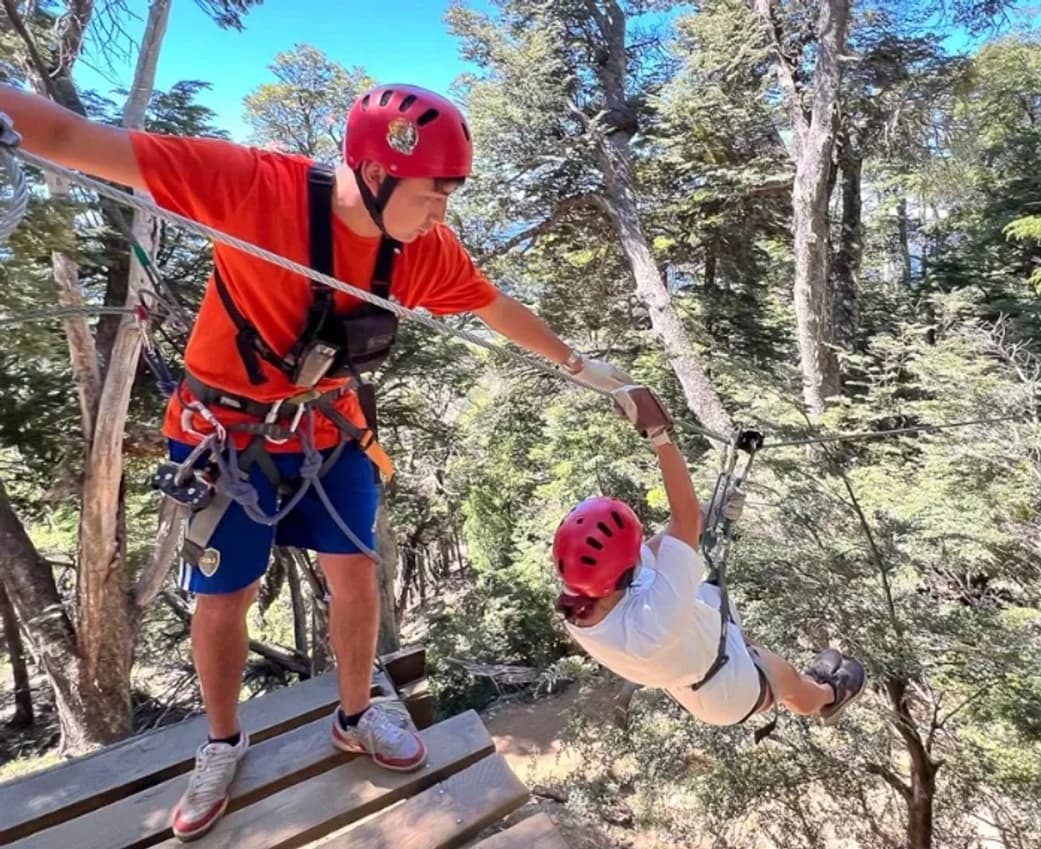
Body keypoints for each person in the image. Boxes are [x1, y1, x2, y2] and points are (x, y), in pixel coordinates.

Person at [0, 83, 632, 841]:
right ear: (374, 172)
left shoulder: (424, 251)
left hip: (329, 428)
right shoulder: (253, 187)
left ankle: (358, 713)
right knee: (226, 594)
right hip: (223, 434)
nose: (443, 212)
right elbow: (74, 140)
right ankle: (222, 742)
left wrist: (580, 365)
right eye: (435, 192)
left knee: (356, 571)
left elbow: (494, 308)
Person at [554, 386, 866, 730]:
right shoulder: (649, 624)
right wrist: (660, 436)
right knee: (789, 681)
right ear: (624, 571)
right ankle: (828, 697)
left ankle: (800, 681)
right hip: (726, 688)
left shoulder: (583, 599)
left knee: (750, 648)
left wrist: (711, 513)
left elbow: (671, 539)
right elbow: (683, 521)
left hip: (697, 647)